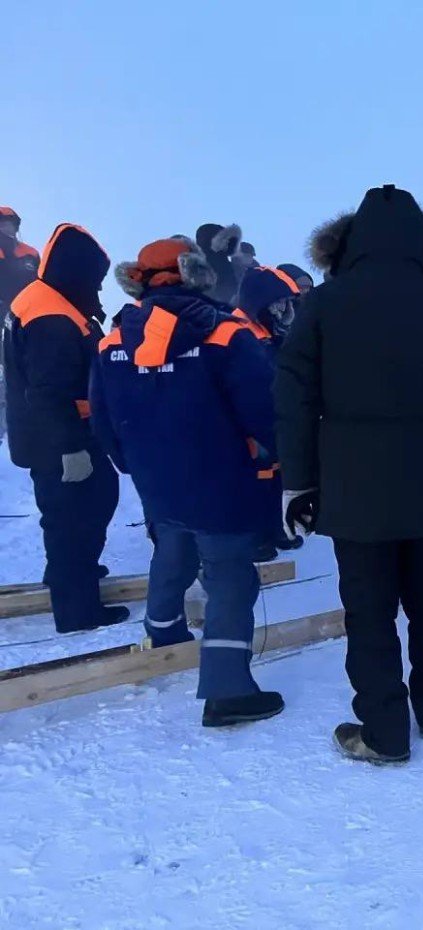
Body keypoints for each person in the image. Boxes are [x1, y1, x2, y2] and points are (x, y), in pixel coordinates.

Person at [276, 184, 423, 765]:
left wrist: (297, 481)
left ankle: (385, 732)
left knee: (368, 611)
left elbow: (294, 398)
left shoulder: (323, 304)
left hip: (354, 488)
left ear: (348, 245)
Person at [92, 236, 284, 728]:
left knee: (172, 551)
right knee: (229, 578)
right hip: (222, 482)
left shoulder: (113, 339)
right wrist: (279, 458)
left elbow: (104, 418)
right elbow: (265, 412)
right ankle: (227, 690)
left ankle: (163, 635)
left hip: (159, 482)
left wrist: (134, 463)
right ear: (198, 275)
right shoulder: (224, 333)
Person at [2, 223, 128, 632]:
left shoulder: (46, 298)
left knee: (78, 509)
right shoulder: (51, 317)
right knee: (75, 515)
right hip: (60, 439)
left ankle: (68, 575)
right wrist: (70, 448)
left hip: (53, 434)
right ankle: (77, 611)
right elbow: (49, 390)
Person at [233, 264, 303, 554]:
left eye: (288, 304)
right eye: (279, 304)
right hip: (247, 424)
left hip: (273, 417)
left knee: (276, 474)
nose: (284, 310)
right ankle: (255, 538)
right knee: (254, 479)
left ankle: (276, 528)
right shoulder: (238, 332)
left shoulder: (268, 332)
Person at [0, 206, 40, 315]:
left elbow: (41, 282)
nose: (7, 228)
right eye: (3, 224)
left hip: (26, 310)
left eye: (10, 224)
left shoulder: (31, 253)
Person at [194, 222, 244, 305]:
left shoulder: (193, 263)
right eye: (224, 239)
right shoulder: (218, 263)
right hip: (219, 309)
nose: (228, 242)